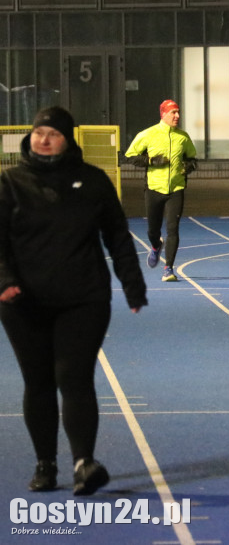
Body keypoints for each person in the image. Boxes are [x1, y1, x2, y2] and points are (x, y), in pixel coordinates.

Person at [0, 107, 147, 496]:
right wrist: (5, 281)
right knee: (39, 381)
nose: (44, 139)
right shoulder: (11, 182)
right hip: (23, 302)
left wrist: (133, 286)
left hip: (83, 298)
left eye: (53, 133)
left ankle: (84, 462)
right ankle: (45, 464)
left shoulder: (93, 181)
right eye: (38, 133)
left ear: (68, 139)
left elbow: (117, 236)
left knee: (74, 376)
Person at [123, 99, 198, 282]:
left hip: (176, 189)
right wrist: (150, 161)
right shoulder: (148, 134)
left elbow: (193, 160)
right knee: (152, 231)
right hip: (154, 188)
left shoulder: (183, 136)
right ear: (163, 114)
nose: (177, 116)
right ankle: (156, 246)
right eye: (173, 113)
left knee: (173, 229)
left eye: (178, 112)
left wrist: (188, 167)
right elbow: (129, 156)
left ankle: (168, 269)